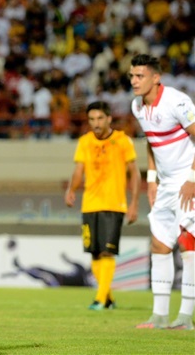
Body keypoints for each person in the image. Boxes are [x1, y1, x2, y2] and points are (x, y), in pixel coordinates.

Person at [129, 54, 195, 330]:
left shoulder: (177, 101)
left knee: (188, 244)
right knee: (159, 245)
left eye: (140, 76)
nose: (134, 81)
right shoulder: (137, 106)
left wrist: (192, 178)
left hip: (187, 179)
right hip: (165, 183)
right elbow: (151, 141)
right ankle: (159, 316)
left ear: (156, 78)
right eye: (132, 76)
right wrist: (152, 180)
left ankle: (186, 318)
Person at [64, 101, 141, 310]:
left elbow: (134, 173)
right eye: (91, 119)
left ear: (109, 119)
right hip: (90, 204)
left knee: (107, 252)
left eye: (99, 118)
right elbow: (78, 170)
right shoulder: (85, 141)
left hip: (113, 204)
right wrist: (71, 189)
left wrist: (134, 203)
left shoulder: (122, 140)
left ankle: (99, 299)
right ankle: (108, 299)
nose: (96, 123)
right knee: (95, 253)